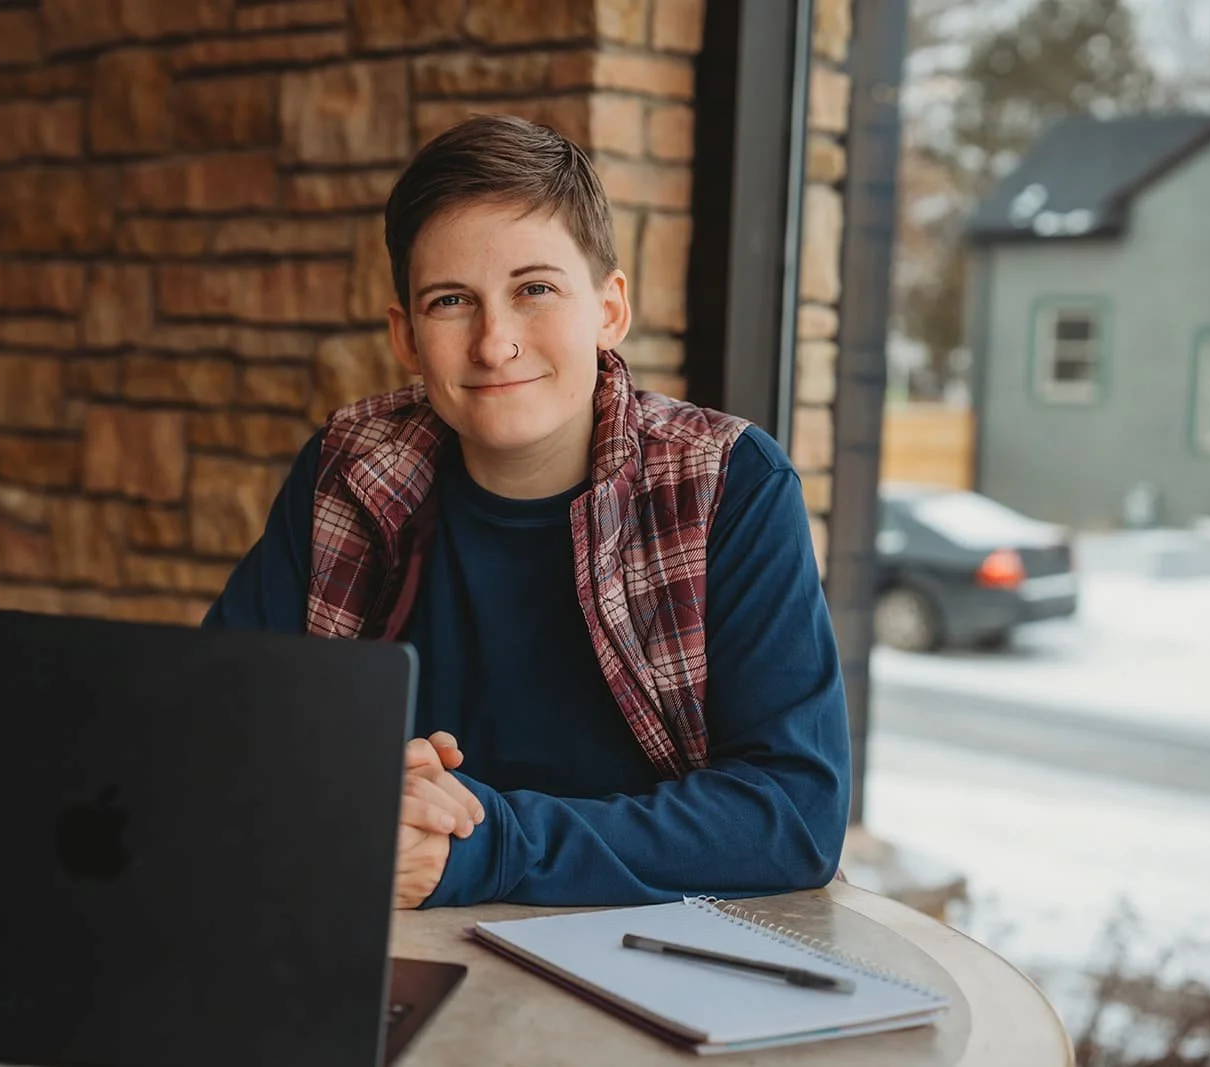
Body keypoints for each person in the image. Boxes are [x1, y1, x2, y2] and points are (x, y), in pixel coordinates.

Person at [204, 115, 850, 910]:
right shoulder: (349, 467)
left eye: (535, 289)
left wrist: (493, 844)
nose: (494, 343)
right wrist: (365, 791)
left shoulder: (727, 483)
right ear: (406, 336)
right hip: (388, 946)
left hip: (662, 953)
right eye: (451, 302)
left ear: (610, 309)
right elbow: (215, 727)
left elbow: (793, 816)